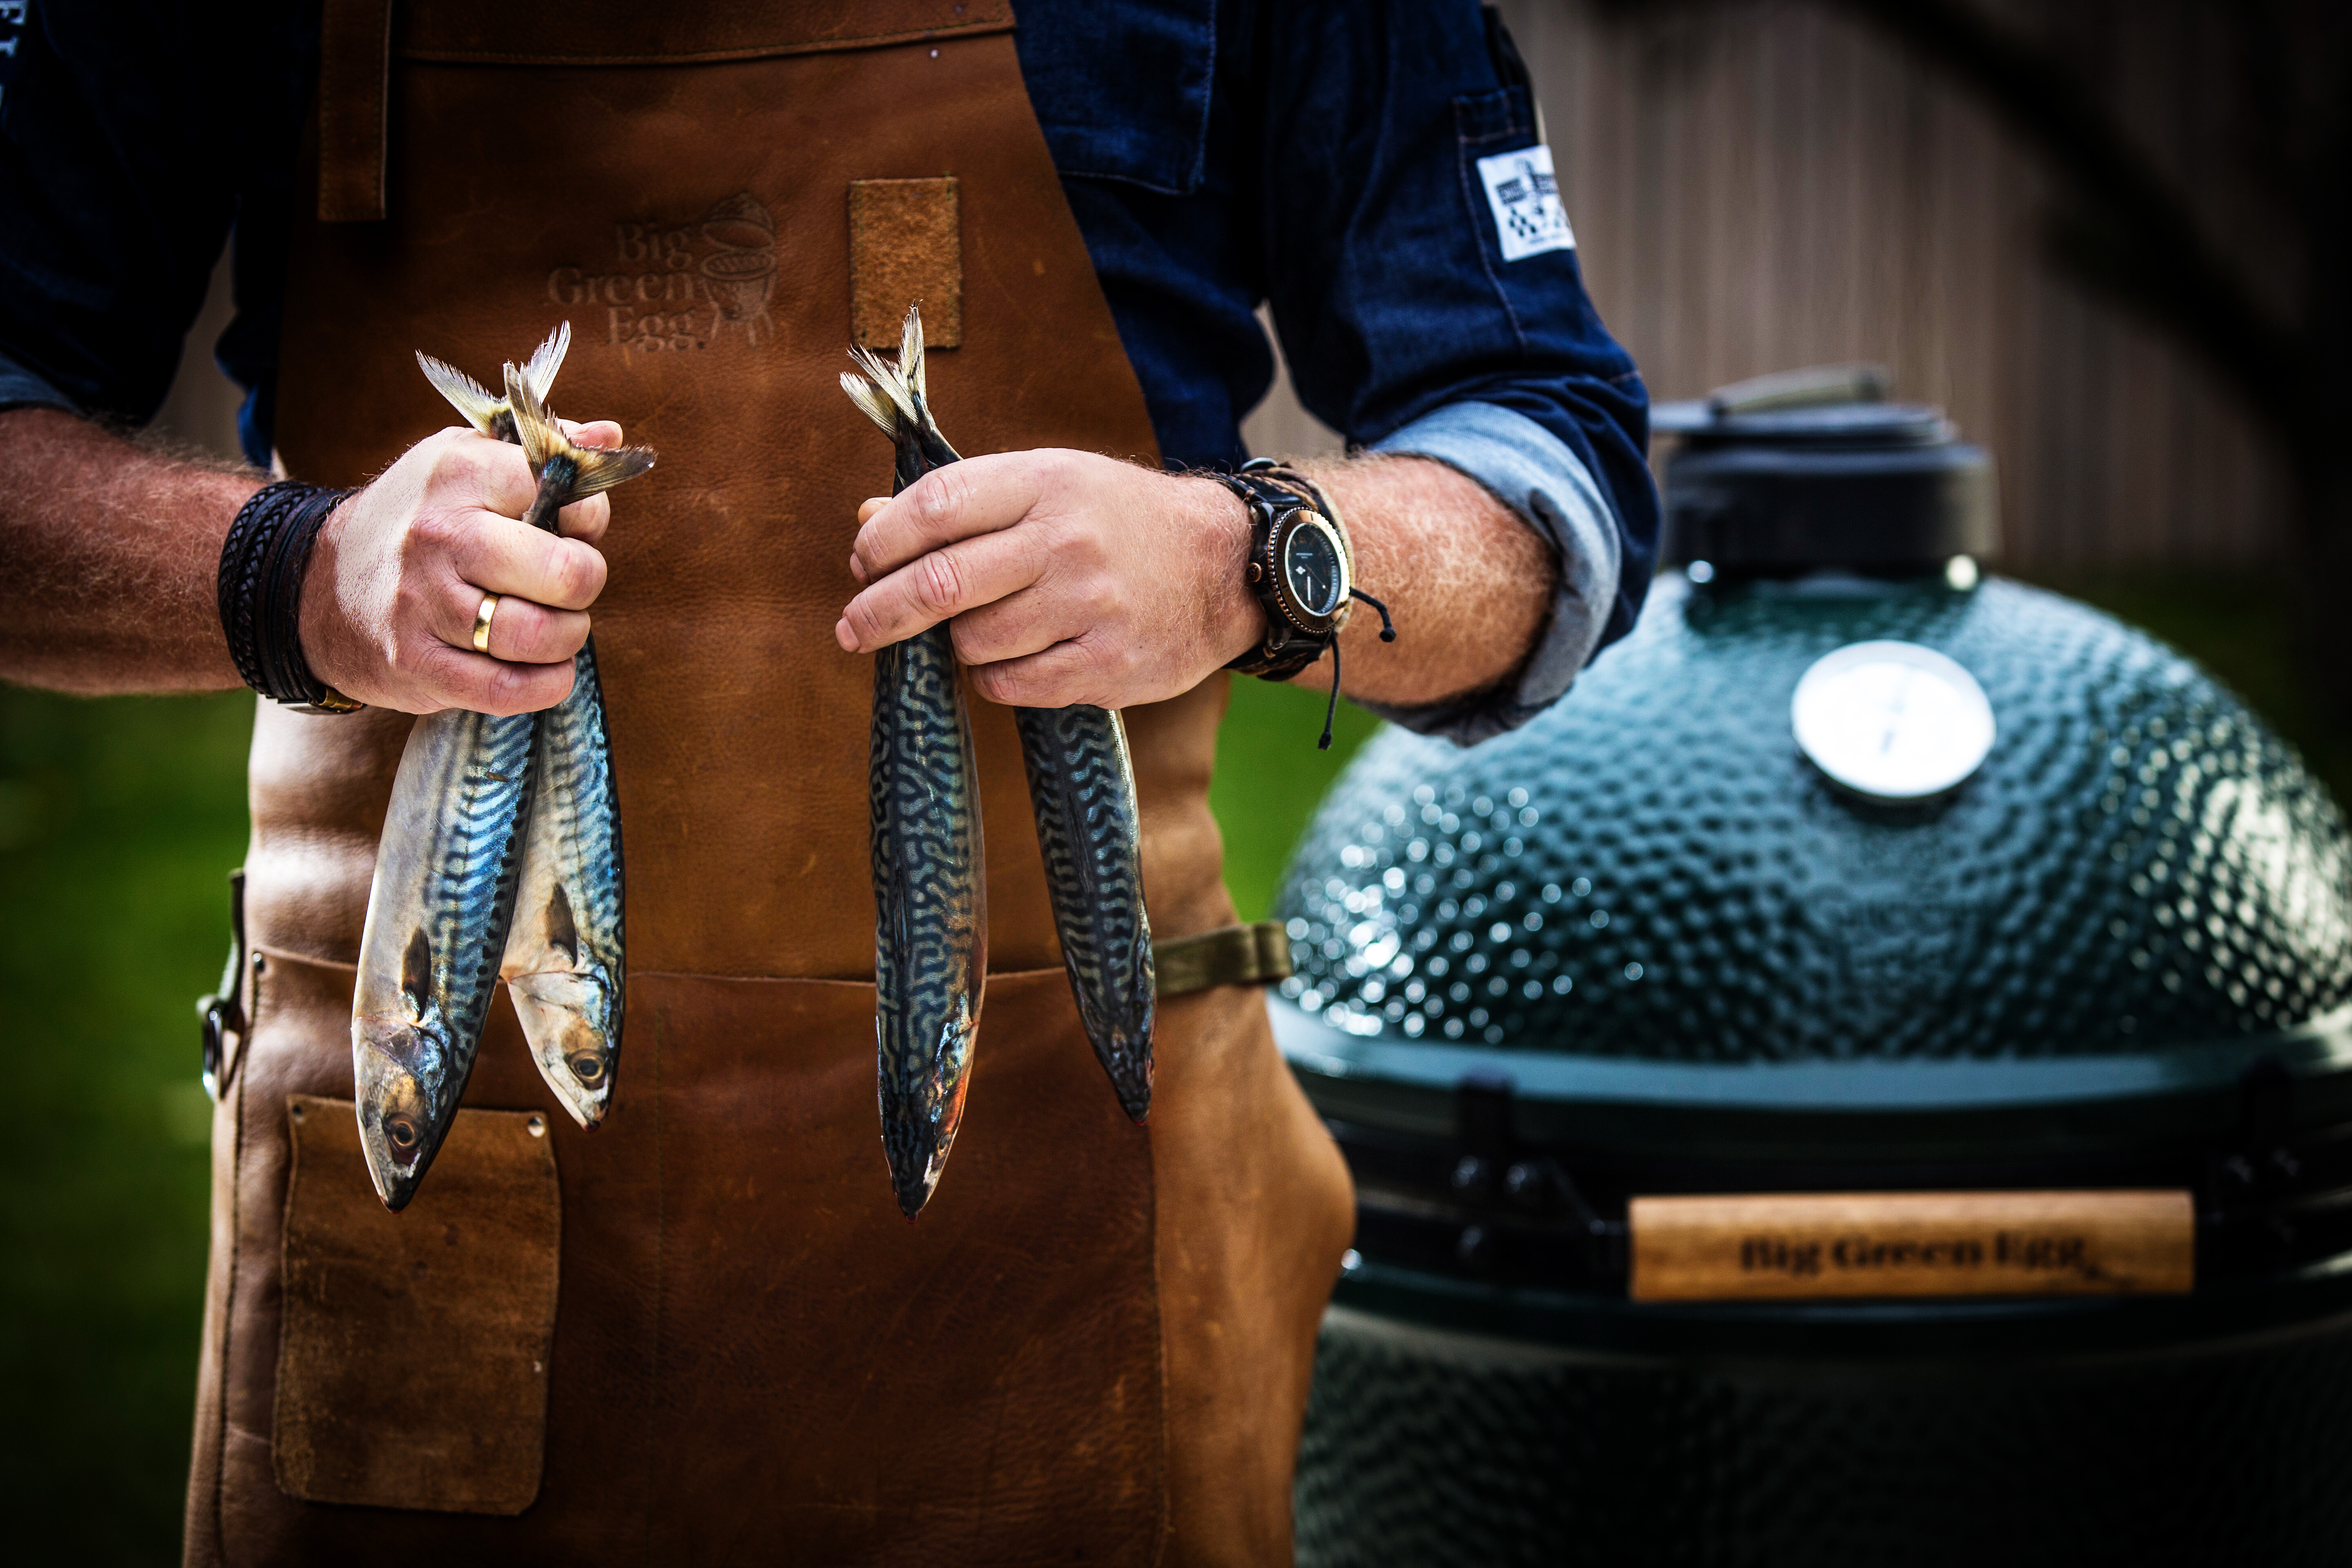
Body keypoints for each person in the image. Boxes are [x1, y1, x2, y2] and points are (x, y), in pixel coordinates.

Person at [0, 1, 1657, 1562]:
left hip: (1070, 1260)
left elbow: (1546, 458)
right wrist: (294, 575)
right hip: (420, 1245)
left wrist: (1247, 560)